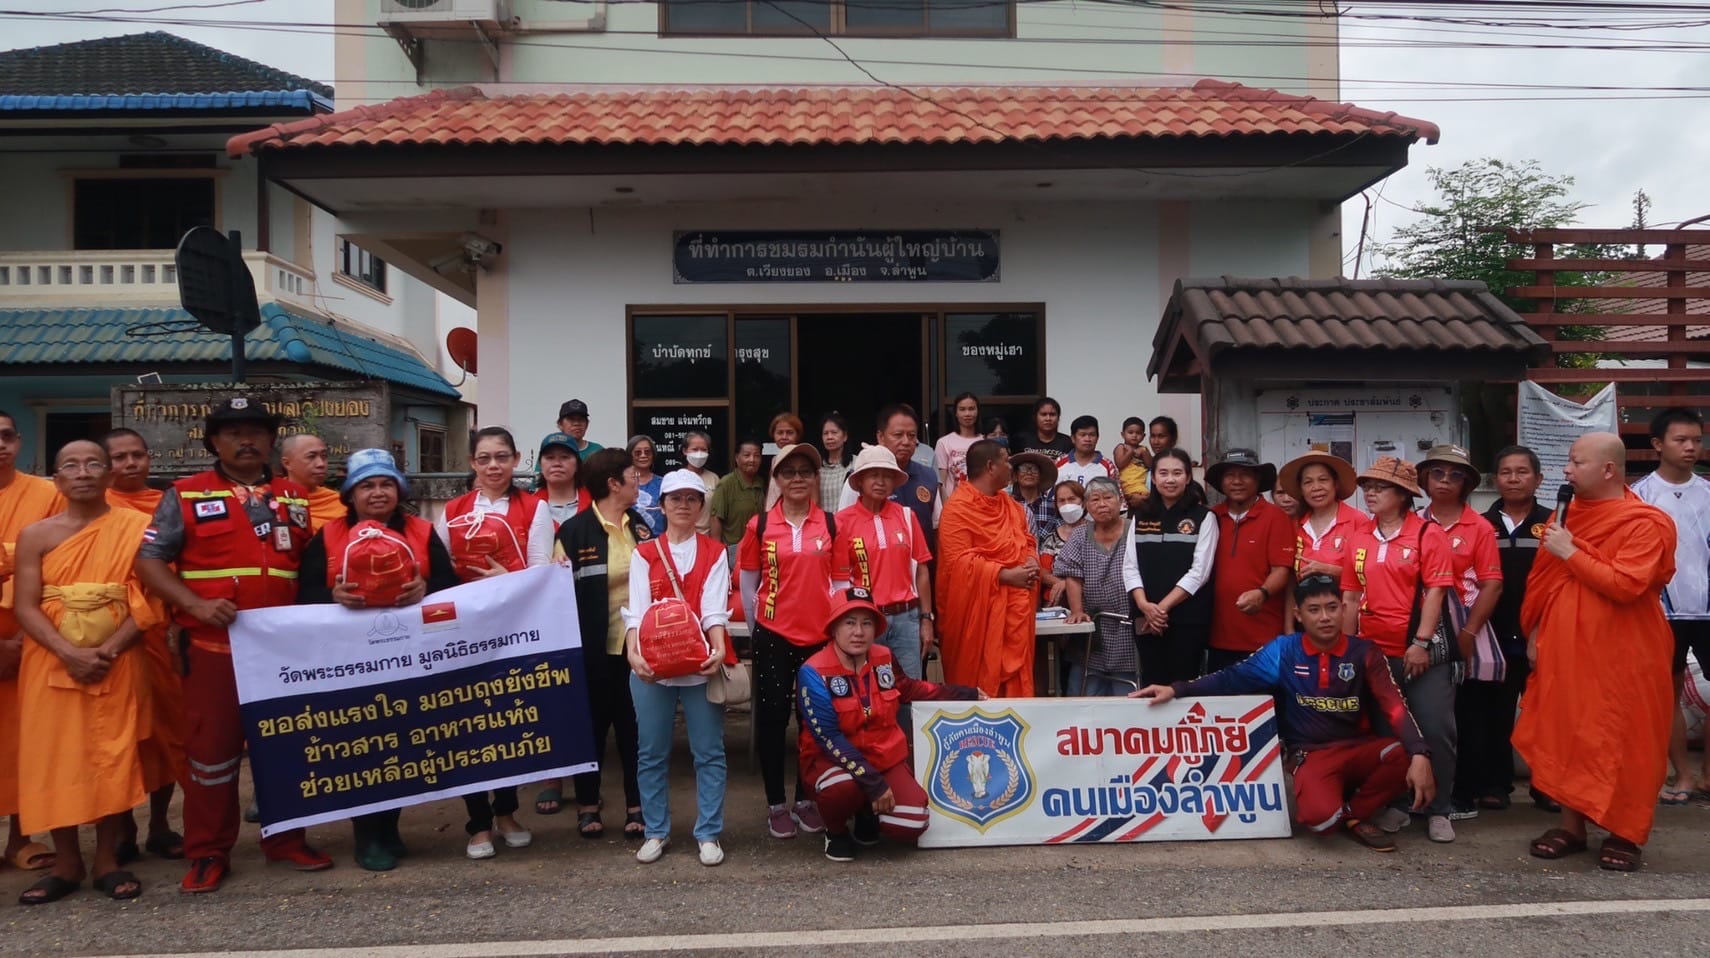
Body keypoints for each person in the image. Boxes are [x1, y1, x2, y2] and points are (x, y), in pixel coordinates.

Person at [135, 397, 329, 892]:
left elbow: (311, 565)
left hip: (283, 654)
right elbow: (150, 561)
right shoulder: (185, 494)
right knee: (211, 756)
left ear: (271, 441)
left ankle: (285, 840)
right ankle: (207, 851)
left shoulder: (296, 495)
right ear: (213, 442)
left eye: (256, 431)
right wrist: (195, 605)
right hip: (213, 649)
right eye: (232, 432)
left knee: (285, 749)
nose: (246, 440)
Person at [1132, 574, 1435, 853]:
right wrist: (1177, 689)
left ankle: (1355, 815)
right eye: (1314, 610)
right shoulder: (1284, 651)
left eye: (1332, 607)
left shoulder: (1365, 652)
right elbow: (1230, 677)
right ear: (1298, 615)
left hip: (1358, 748)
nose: (1325, 617)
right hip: (1312, 754)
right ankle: (1338, 810)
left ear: (1344, 609)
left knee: (1405, 755)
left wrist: (1421, 753)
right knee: (1320, 822)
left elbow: (1394, 704)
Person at [1517, 432, 1677, 872]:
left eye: (1576, 462)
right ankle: (1571, 826)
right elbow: (1544, 587)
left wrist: (1570, 550)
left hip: (1628, 653)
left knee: (1627, 737)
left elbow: (1626, 585)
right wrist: (1535, 634)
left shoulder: (1646, 521)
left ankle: (1625, 831)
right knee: (1569, 732)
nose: (1567, 471)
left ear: (1608, 469)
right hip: (1565, 650)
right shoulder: (1565, 517)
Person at [296, 448, 459, 871]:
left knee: (403, 747)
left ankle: (389, 827)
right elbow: (303, 594)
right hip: (351, 665)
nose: (378, 492)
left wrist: (427, 589)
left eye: (386, 483)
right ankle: (367, 835)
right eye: (367, 485)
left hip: (412, 661)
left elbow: (449, 585)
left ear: (399, 490)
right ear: (350, 494)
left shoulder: (422, 531)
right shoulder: (328, 536)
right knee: (364, 750)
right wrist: (332, 597)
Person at [12, 441, 156, 903]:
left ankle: (107, 860)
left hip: (118, 659)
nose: (84, 472)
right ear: (56, 479)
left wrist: (110, 649)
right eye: (70, 465)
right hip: (51, 661)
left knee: (111, 756)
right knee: (56, 759)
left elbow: (151, 600)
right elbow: (25, 606)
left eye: (95, 463)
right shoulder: (36, 534)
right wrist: (66, 652)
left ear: (109, 474)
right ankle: (67, 861)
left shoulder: (136, 527)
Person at [798, 587, 983, 862]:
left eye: (866, 623)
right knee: (841, 788)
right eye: (849, 623)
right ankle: (835, 831)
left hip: (884, 758)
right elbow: (829, 739)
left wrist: (968, 694)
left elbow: (910, 689)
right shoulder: (812, 672)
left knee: (914, 822)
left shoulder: (883, 657)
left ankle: (866, 813)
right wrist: (874, 785)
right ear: (834, 628)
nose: (858, 632)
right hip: (833, 764)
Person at [435, 427, 548, 856]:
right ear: (472, 463)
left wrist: (508, 581)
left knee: (508, 726)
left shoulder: (533, 509)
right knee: (468, 727)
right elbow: (440, 573)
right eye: (484, 458)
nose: (494, 465)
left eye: (502, 457)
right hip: (465, 635)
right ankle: (478, 822)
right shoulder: (452, 510)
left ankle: (506, 811)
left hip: (513, 631)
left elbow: (540, 574)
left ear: (517, 459)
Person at [1338, 457, 1459, 844]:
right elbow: (1350, 598)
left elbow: (1437, 592)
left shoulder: (1427, 534)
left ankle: (1439, 808)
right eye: (1367, 486)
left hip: (1420, 652)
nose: (1370, 493)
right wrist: (1346, 649)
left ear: (1404, 495)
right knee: (1390, 732)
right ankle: (1404, 803)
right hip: (1374, 653)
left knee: (1434, 726)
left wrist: (1421, 643)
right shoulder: (1360, 536)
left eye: (1381, 487)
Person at [621, 469, 730, 867]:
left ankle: (709, 832)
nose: (683, 506)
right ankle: (655, 830)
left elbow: (715, 609)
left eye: (692, 499)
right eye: (675, 499)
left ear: (702, 507)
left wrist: (718, 648)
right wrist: (634, 655)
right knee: (650, 751)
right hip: (652, 665)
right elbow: (635, 612)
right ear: (662, 505)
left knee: (709, 751)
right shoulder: (644, 553)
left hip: (699, 663)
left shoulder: (716, 551)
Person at [739, 442, 837, 839]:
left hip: (819, 639)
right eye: (789, 472)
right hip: (774, 636)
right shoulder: (759, 525)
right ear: (776, 480)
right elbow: (748, 584)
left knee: (814, 723)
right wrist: (758, 627)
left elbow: (843, 581)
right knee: (773, 720)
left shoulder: (830, 524)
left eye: (805, 471)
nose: (797, 478)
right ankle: (776, 803)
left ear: (815, 479)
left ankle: (805, 799)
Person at [553, 448, 651, 839]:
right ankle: (588, 805)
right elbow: (553, 594)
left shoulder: (640, 526)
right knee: (591, 730)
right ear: (613, 483)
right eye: (632, 473)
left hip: (635, 651)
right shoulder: (573, 532)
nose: (638, 479)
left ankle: (636, 805)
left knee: (635, 731)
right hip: (590, 651)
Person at [101, 428, 184, 862]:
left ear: (149, 459)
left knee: (165, 731)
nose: (130, 463)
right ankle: (123, 828)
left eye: (137, 455)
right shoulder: (94, 509)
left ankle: (161, 823)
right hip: (107, 634)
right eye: (119, 457)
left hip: (159, 632)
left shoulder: (166, 504)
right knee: (120, 736)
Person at [1417, 444, 1504, 821]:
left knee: (1467, 713)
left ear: (1467, 482)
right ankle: (1421, 791)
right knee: (1426, 714)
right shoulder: (1413, 521)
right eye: (1438, 473)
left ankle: (1462, 793)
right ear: (1424, 479)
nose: (1445, 481)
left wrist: (1469, 632)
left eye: (1455, 475)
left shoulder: (1479, 526)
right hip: (1421, 626)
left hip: (1466, 623)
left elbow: (1492, 584)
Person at [1629, 408, 1710, 804]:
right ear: (1658, 444)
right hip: (1661, 612)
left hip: (1708, 609)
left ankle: (1709, 775)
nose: (1692, 447)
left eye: (1696, 439)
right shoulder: (1639, 496)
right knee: (1668, 692)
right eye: (1681, 440)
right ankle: (1683, 775)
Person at [1472, 445, 1557, 812]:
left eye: (1522, 472)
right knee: (1496, 712)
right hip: (1492, 635)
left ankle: (1548, 785)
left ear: (1538, 479)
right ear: (1496, 480)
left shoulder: (1555, 523)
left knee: (1548, 716)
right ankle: (1495, 783)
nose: (1514, 478)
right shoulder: (1480, 523)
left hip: (1543, 634)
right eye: (1506, 472)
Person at [0, 410, 66, 874]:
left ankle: (21, 837)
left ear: (19, 441)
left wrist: (22, 639)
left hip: (28, 632)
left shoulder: (46, 494)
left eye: (5, 436)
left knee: (25, 740)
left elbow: (60, 564)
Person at [938, 440, 1039, 696]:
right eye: (1006, 461)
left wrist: (1031, 561)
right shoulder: (957, 509)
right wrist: (1005, 575)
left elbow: (1026, 541)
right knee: (977, 686)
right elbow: (958, 564)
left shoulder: (1011, 506)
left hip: (1014, 611)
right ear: (990, 466)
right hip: (977, 616)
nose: (1011, 467)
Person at [833, 445, 935, 680]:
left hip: (906, 618)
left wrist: (926, 619)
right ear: (859, 481)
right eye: (874, 475)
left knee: (909, 693)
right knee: (867, 692)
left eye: (887, 475)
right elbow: (839, 580)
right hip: (864, 620)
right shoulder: (841, 522)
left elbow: (921, 570)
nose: (881, 481)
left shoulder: (907, 516)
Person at [1131, 448, 1217, 686]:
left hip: (1187, 619)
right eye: (1164, 473)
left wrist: (1161, 608)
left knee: (1182, 686)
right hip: (1145, 617)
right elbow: (1130, 566)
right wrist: (1144, 606)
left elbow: (1200, 572)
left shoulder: (1203, 517)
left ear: (1188, 477)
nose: (1170, 479)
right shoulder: (1140, 516)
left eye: (1177, 473)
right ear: (1154, 478)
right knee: (1150, 683)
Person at [1204, 450, 1292, 673]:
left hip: (1264, 637)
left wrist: (1262, 593)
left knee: (1265, 704)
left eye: (1245, 474)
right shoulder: (1211, 517)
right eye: (1230, 475)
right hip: (1217, 637)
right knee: (1221, 705)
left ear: (1258, 479)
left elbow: (1282, 570)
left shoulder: (1276, 517)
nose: (1237, 481)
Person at [1058, 477, 1144, 695]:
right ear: (1086, 506)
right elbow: (1072, 575)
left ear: (1120, 501)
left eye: (1108, 497)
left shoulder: (1135, 530)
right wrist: (1077, 611)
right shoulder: (1080, 534)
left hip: (1128, 623)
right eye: (1094, 499)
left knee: (1127, 693)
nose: (1102, 504)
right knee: (1083, 692)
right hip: (1093, 625)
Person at [837, 406, 941, 550]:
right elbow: (843, 528)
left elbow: (937, 528)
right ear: (880, 437)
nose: (906, 441)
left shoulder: (928, 476)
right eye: (898, 435)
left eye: (911, 435)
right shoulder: (860, 478)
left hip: (922, 567)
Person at [710, 438, 765, 568]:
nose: (752, 459)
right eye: (747, 455)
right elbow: (716, 518)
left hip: (759, 548)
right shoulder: (726, 483)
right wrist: (717, 554)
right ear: (737, 458)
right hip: (733, 550)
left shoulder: (762, 483)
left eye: (756, 456)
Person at [279, 434, 343, 534]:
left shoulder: (339, 501)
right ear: (287, 463)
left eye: (324, 456)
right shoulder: (273, 498)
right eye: (311, 457)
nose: (321, 464)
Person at [1038, 480, 1088, 608]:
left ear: (1083, 501)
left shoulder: (1095, 534)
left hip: (1088, 604)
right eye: (1062, 501)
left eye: (1072, 499)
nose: (1067, 505)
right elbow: (1043, 574)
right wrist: (1062, 583)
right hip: (1056, 604)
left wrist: (1070, 584)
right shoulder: (1052, 538)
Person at [535, 432, 591, 530]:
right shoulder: (529, 507)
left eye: (565, 457)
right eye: (550, 458)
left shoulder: (595, 505)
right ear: (540, 464)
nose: (557, 463)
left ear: (577, 464)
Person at [935, 393, 983, 500]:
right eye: (962, 409)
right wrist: (946, 507)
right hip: (954, 504)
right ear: (956, 413)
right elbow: (941, 481)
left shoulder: (984, 442)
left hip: (979, 504)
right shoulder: (944, 442)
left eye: (971, 409)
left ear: (978, 411)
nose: (967, 413)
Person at [1008, 451, 1059, 541]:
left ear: (1040, 476)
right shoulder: (1008, 505)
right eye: (1023, 468)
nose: (1029, 473)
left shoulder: (1053, 506)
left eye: (1034, 469)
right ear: (1015, 476)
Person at [1053, 415, 1116, 489]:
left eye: (1092, 435)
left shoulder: (1108, 466)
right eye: (1082, 435)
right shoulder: (1059, 463)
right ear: (1073, 438)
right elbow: (1048, 496)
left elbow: (1117, 497)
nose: (1087, 439)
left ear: (1097, 438)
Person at [680, 429, 721, 536]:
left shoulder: (714, 478)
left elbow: (716, 513)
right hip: (683, 536)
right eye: (695, 449)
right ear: (685, 451)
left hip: (707, 537)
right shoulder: (678, 478)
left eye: (703, 449)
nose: (699, 453)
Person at [627, 436, 665, 536]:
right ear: (630, 455)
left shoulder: (663, 483)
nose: (643, 455)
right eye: (638, 452)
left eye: (647, 452)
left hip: (658, 541)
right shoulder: (623, 483)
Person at [1113, 417, 1151, 513]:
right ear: (1123, 434)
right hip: (1127, 485)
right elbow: (1120, 464)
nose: (1134, 436)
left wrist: (1144, 453)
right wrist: (1130, 452)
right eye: (1130, 432)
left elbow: (1150, 465)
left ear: (1143, 436)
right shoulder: (1121, 448)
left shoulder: (1143, 449)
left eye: (1138, 433)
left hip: (1142, 485)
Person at [818, 414, 854, 509]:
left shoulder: (856, 463)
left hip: (848, 522)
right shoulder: (817, 467)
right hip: (824, 522)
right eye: (825, 433)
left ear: (845, 436)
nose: (829, 437)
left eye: (834, 432)